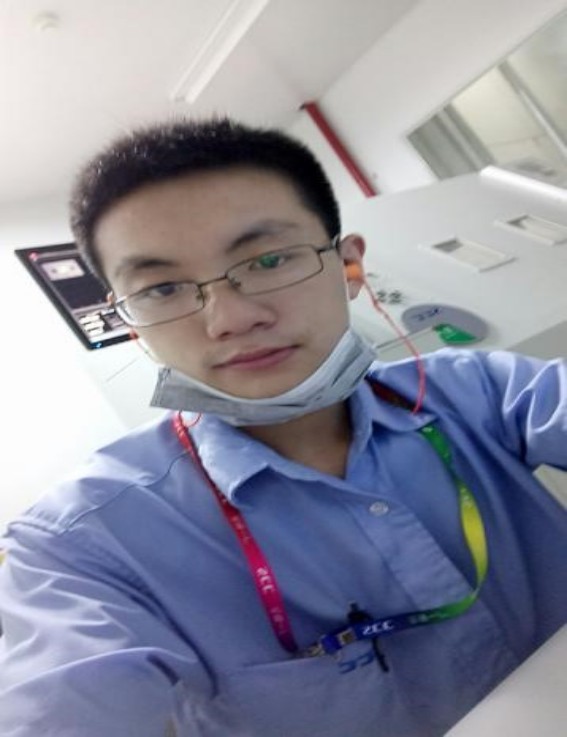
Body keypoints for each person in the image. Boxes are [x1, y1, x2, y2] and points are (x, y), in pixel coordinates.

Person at [0, 118, 566, 737]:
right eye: (162, 289)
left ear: (349, 267)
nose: (230, 318)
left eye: (268, 260)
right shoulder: (81, 545)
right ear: (132, 326)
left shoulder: (476, 392)